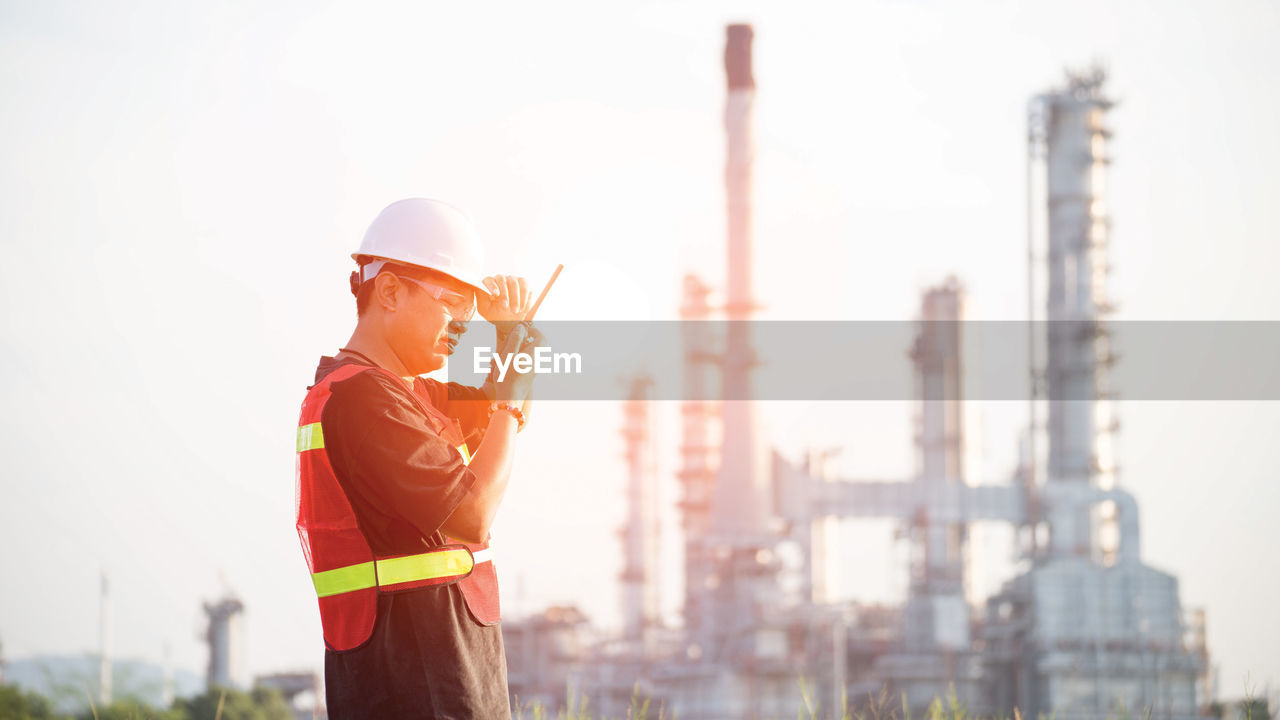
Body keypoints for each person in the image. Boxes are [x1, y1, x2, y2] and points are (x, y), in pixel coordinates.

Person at [294, 198, 543, 719]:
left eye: (468, 313)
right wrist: (507, 402)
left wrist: (510, 345)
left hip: (437, 677)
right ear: (388, 291)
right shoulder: (363, 401)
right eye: (451, 303)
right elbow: (472, 514)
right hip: (414, 685)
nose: (460, 325)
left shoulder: (410, 396)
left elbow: (494, 431)